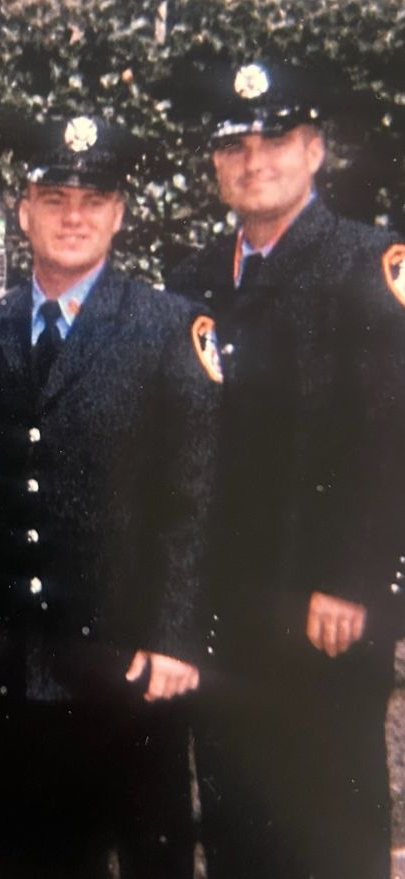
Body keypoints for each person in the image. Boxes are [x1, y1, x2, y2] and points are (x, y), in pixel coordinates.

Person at [166, 60, 405, 879]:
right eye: (236, 144)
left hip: (323, 612)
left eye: (277, 140)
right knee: (239, 826)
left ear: (315, 152)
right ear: (214, 163)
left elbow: (387, 435)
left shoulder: (366, 267)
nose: (255, 158)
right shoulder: (197, 275)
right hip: (230, 612)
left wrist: (351, 578)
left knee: (329, 830)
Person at [0, 116, 221, 879]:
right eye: (54, 197)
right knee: (36, 857)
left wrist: (177, 633)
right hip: (22, 657)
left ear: (118, 212)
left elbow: (195, 494)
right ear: (24, 211)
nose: (73, 215)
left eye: (93, 198)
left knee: (151, 852)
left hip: (132, 655)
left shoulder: (166, 325)